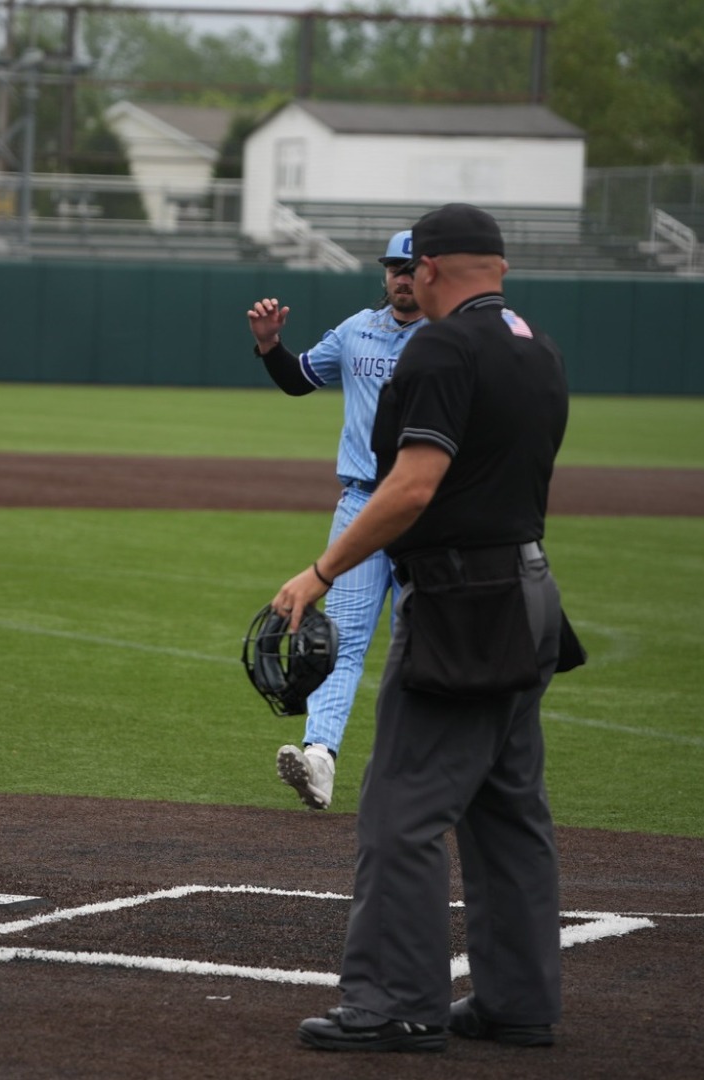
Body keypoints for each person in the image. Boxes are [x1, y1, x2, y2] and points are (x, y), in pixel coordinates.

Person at [269, 204, 576, 1052]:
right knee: (508, 811)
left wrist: (321, 570)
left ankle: (396, 1002)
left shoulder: (441, 347)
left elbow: (408, 488)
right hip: (531, 594)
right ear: (500, 268)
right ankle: (518, 1002)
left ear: (430, 268)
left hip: (461, 605)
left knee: (401, 810)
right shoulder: (533, 346)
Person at [247, 230, 426, 811]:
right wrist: (271, 346)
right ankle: (319, 757)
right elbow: (300, 379)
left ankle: (425, 769)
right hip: (360, 505)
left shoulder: (453, 340)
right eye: (394, 267)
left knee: (422, 643)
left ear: (433, 274)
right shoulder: (357, 330)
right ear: (384, 275)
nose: (402, 277)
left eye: (412, 267)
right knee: (340, 641)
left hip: (428, 509)